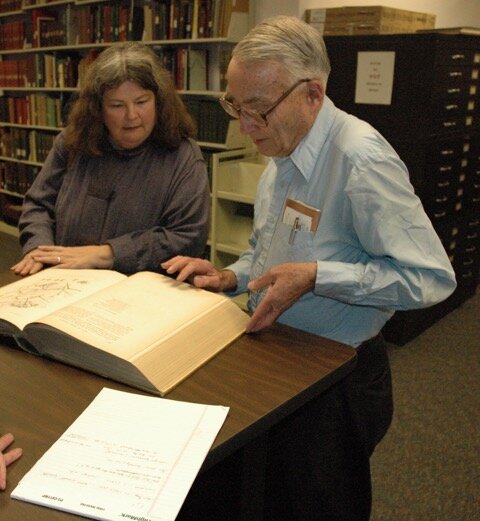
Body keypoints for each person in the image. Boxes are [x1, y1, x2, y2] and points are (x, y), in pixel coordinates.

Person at [162, 15, 457, 521]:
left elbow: (431, 278)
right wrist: (232, 275)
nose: (244, 125)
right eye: (236, 105)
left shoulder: (362, 161)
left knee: (320, 506)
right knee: (261, 496)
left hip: (337, 377)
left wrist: (319, 276)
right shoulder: (282, 149)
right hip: (279, 357)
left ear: (312, 95)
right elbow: (272, 250)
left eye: (258, 109)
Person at [11, 41, 210, 276]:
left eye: (141, 102)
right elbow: (38, 205)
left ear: (159, 101)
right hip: (62, 279)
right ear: (98, 109)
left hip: (141, 295)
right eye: (117, 105)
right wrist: (38, 250)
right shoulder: (73, 141)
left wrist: (108, 254)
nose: (132, 116)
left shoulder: (184, 156)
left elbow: (187, 237)